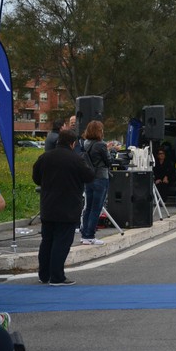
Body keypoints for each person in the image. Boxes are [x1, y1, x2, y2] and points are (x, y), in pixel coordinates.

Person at [33, 129, 95, 285]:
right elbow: (89, 176)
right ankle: (57, 276)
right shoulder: (76, 159)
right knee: (61, 242)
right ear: (73, 143)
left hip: (48, 206)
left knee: (47, 241)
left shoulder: (45, 157)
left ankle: (44, 275)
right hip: (68, 208)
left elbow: (36, 178)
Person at [80, 120, 115, 245]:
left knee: (88, 207)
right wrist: (110, 150)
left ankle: (84, 234)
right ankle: (90, 235)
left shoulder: (86, 143)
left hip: (89, 178)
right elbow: (108, 161)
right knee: (97, 208)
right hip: (100, 177)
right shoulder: (100, 145)